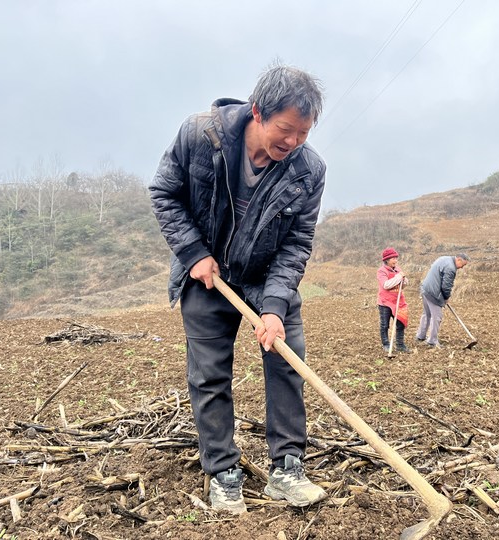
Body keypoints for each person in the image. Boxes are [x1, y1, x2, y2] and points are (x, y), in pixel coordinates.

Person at [149, 63, 327, 515]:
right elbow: (164, 194)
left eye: (303, 134)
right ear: (257, 112)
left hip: (268, 278)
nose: (293, 143)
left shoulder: (308, 172)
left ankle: (287, 469)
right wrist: (192, 252)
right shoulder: (200, 135)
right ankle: (223, 471)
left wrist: (273, 308)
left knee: (288, 367)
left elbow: (296, 243)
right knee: (209, 377)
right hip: (206, 278)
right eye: (285, 130)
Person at [416, 254, 470, 348]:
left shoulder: (444, 258)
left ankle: (420, 336)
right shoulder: (451, 268)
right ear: (459, 260)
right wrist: (446, 297)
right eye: (463, 265)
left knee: (427, 314)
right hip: (433, 293)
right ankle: (432, 341)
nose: (462, 268)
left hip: (425, 288)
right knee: (437, 316)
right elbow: (446, 286)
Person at [377, 247, 410, 353]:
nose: (395, 260)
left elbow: (403, 285)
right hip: (385, 302)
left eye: (396, 258)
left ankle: (400, 344)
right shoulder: (381, 271)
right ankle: (386, 344)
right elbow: (386, 285)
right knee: (384, 324)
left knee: (400, 323)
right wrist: (398, 277)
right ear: (387, 260)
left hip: (398, 301)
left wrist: (404, 280)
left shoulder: (398, 270)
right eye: (393, 258)